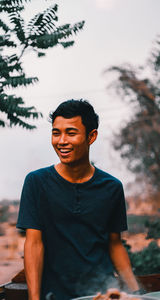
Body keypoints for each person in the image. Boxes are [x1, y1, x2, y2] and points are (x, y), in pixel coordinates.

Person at [16, 99, 140, 300]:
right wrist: (34, 298)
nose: (61, 141)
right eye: (56, 133)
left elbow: (115, 244)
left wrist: (137, 292)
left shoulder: (112, 187)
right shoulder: (36, 182)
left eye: (71, 133)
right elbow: (34, 244)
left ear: (91, 136)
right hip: (54, 294)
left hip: (101, 293)